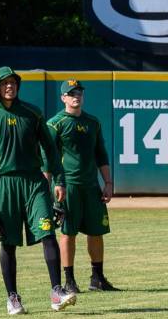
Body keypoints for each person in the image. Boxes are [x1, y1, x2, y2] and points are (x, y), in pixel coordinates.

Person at [0, 66, 77, 314]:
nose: (9, 86)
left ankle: (56, 291)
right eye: (4, 83)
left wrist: (59, 180)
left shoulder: (32, 114)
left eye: (13, 82)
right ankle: (12, 297)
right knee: (8, 243)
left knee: (47, 233)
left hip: (34, 182)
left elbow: (50, 149)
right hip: (5, 184)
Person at [46, 79, 118, 294]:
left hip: (91, 186)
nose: (76, 96)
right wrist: (47, 186)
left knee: (96, 231)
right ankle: (69, 279)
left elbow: (101, 154)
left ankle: (97, 278)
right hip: (67, 186)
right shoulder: (55, 123)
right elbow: (48, 157)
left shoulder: (92, 122)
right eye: (71, 93)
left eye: (79, 92)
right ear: (63, 98)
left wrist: (108, 182)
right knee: (68, 232)